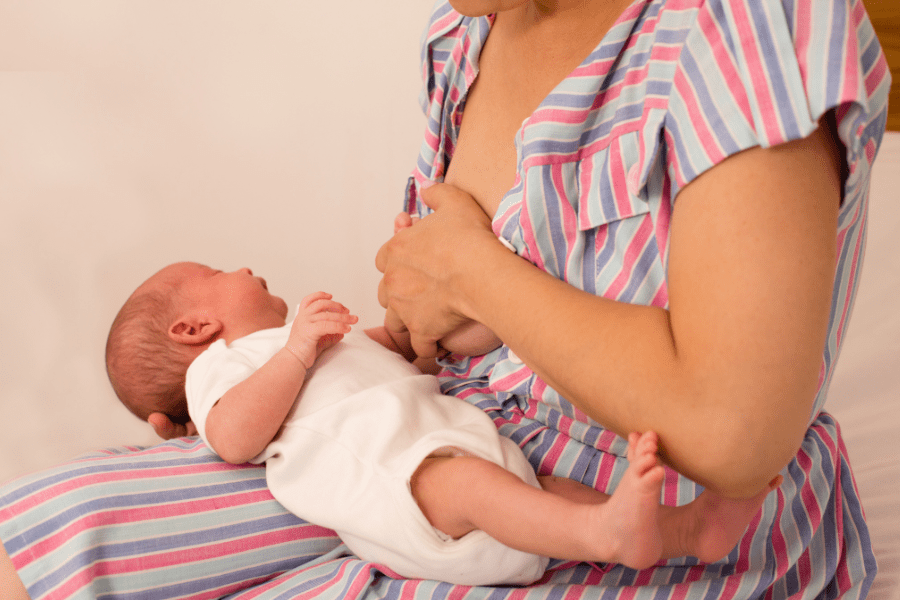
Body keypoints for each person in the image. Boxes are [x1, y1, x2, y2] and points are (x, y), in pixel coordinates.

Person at [0, 0, 888, 597]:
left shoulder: (737, 30)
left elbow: (731, 432)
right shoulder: (468, 32)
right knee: (55, 523)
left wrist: (476, 273)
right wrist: (438, 309)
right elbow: (429, 285)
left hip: (634, 482)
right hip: (425, 414)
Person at [104, 261, 777, 585]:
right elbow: (233, 436)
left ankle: (690, 530)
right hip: (398, 490)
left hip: (445, 451)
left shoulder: (304, 341)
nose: (246, 266)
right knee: (475, 489)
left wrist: (410, 321)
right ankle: (602, 533)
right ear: (195, 328)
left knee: (530, 484)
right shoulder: (222, 370)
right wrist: (298, 348)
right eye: (221, 271)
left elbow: (396, 347)